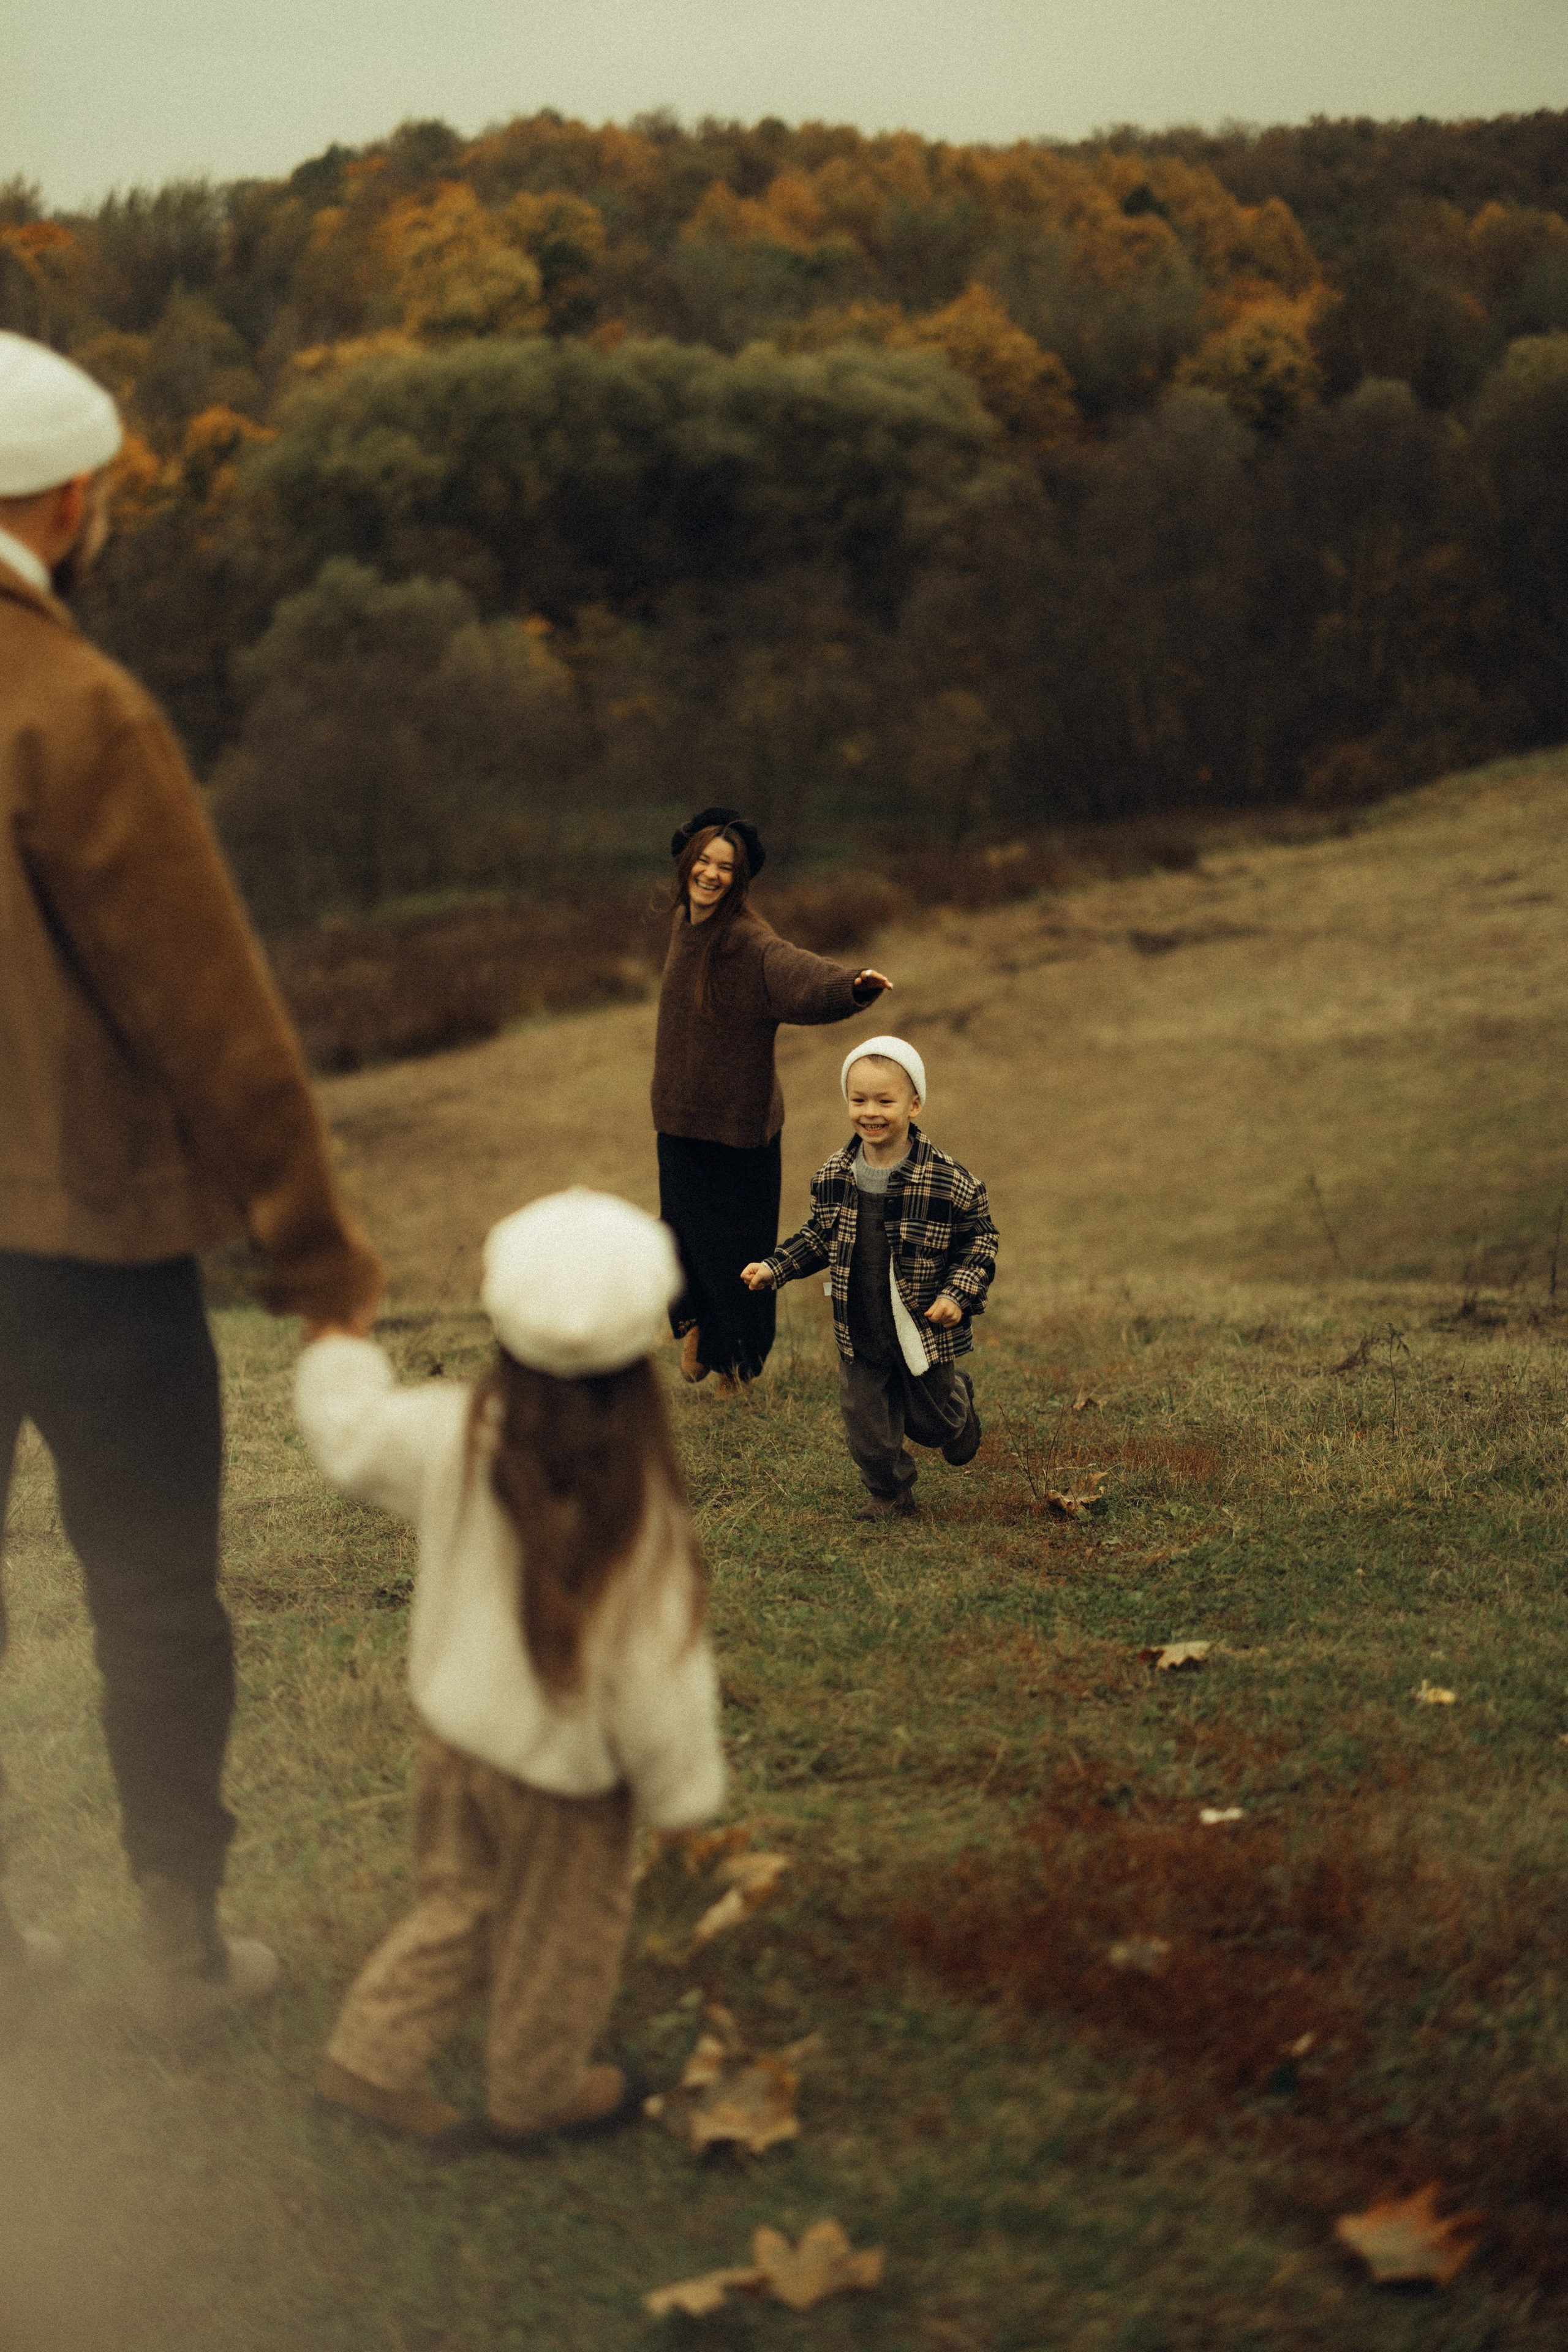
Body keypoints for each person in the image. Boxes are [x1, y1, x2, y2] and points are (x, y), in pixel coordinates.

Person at [0, 330, 384, 2037]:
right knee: (152, 1585)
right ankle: (179, 1944)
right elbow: (211, 1015)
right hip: (87, 1246)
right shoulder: (80, 710)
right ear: (70, 502)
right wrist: (317, 1256)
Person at [296, 1189, 726, 2150]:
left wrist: (337, 1339)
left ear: (502, 1321)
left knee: (462, 1903)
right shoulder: (637, 1506)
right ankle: (537, 2092)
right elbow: (661, 1670)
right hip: (567, 1784)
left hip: (456, 1741)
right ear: (643, 1343)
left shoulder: (452, 1433)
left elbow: (351, 1437)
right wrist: (681, 1794)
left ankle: (366, 2061)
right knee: (561, 1937)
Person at [652, 804, 891, 1392]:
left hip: (740, 1127)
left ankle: (738, 1366)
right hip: (678, 1117)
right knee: (680, 1233)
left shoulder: (749, 943)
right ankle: (699, 1329)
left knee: (739, 1249)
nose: (711, 874)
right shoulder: (684, 924)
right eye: (704, 861)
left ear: (739, 880)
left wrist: (851, 986)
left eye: (725, 868)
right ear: (687, 864)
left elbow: (800, 976)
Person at [741, 1038, 997, 1521]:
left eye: (885, 1100)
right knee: (866, 1424)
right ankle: (890, 1492)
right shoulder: (834, 1176)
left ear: (914, 1104)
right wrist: (775, 1266)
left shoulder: (949, 1181)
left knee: (932, 1423)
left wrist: (956, 1295)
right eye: (859, 1100)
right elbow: (818, 1236)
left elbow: (980, 1243)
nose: (870, 1112)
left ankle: (957, 1408)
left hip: (922, 1328)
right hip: (859, 1325)